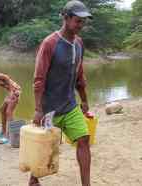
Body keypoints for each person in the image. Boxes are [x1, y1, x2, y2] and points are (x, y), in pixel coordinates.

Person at [31, 1, 92, 186]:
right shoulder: (50, 43)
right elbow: (38, 80)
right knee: (45, 147)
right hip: (49, 109)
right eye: (77, 21)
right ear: (65, 18)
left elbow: (79, 76)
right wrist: (38, 109)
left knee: (84, 139)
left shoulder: (79, 43)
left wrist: (84, 101)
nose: (81, 25)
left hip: (70, 105)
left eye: (83, 21)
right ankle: (33, 179)